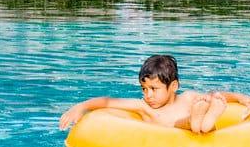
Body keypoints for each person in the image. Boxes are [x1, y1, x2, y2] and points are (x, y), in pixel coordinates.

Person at [58, 54, 223, 133]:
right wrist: (81, 106)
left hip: (196, 137)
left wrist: (243, 100)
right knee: (183, 123)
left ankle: (208, 116)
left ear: (173, 86)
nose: (148, 95)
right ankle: (201, 119)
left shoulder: (188, 97)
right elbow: (108, 102)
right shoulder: (143, 106)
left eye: (154, 89)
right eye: (144, 89)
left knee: (204, 113)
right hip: (184, 129)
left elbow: (219, 95)